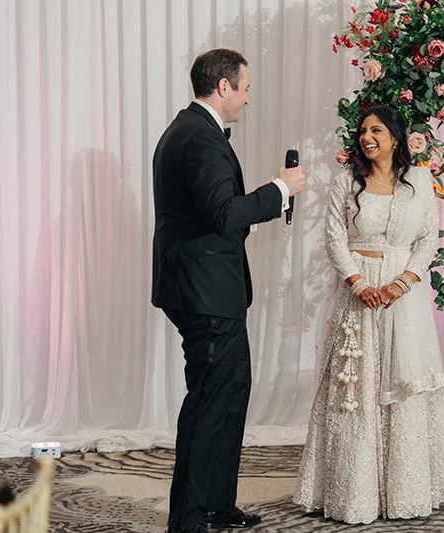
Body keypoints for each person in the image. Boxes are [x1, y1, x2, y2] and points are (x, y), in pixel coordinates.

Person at [151, 49, 305, 533]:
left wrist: (250, 212)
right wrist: (279, 190)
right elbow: (222, 213)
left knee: (231, 394)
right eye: (244, 88)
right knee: (210, 402)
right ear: (223, 87)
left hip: (206, 288)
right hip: (205, 293)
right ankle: (190, 518)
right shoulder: (199, 137)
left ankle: (216, 505)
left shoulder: (189, 130)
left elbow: (210, 215)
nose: (246, 97)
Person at [293, 106, 444, 524]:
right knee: (357, 386)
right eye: (364, 131)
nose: (368, 137)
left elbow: (429, 237)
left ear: (396, 137)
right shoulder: (345, 184)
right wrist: (358, 283)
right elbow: (334, 237)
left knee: (404, 383)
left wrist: (403, 281)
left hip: (402, 297)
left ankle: (408, 491)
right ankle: (354, 494)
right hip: (358, 294)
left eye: (377, 130)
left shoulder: (420, 182)